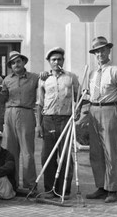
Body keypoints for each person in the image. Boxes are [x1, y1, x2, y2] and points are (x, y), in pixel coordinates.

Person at [84, 36, 117, 204]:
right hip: (93, 110)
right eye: (97, 51)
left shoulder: (115, 71)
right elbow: (87, 94)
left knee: (110, 152)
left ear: (108, 50)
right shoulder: (91, 73)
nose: (100, 54)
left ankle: (112, 190)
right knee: (95, 153)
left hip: (110, 110)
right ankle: (101, 187)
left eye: (103, 50)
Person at [35, 47, 80, 198]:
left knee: (66, 155)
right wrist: (38, 125)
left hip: (66, 119)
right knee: (47, 155)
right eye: (53, 59)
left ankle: (64, 190)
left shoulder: (71, 77)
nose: (56, 62)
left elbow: (78, 98)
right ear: (49, 62)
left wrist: (77, 113)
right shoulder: (43, 79)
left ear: (63, 61)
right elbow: (39, 104)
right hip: (48, 120)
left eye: (59, 59)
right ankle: (49, 189)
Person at [0, 51, 39, 192]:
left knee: (27, 151)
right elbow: (2, 100)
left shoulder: (34, 78)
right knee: (11, 151)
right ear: (10, 66)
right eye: (13, 63)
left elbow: (43, 90)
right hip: (10, 113)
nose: (16, 64)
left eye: (18, 61)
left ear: (24, 62)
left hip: (26, 112)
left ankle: (30, 184)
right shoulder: (6, 80)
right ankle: (13, 184)